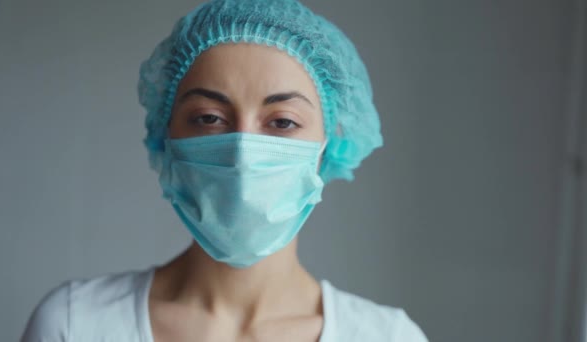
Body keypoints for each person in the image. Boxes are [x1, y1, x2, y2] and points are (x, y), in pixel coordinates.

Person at [21, 0, 428, 341]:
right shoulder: (74, 326)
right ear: (167, 139)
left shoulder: (387, 336)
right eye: (209, 118)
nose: (241, 152)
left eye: (282, 121)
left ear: (327, 149)